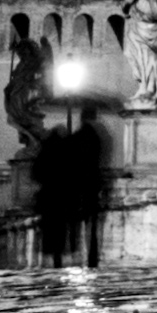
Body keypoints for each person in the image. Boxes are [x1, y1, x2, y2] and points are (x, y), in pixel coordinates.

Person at [67, 113, 107, 268]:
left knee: (77, 220)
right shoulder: (96, 136)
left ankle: (76, 252)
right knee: (93, 222)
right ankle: (92, 254)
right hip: (91, 183)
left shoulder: (76, 138)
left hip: (78, 184)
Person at [32, 125, 74, 269]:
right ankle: (58, 257)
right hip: (63, 196)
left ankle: (50, 258)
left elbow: (36, 173)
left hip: (48, 196)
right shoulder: (67, 150)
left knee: (49, 229)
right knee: (61, 229)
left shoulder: (45, 150)